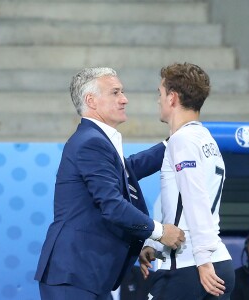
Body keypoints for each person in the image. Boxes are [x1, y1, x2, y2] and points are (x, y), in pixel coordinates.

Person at [34, 67, 185, 300]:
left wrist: (173, 143)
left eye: (122, 92)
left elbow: (129, 170)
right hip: (74, 274)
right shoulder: (91, 142)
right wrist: (160, 232)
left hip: (88, 275)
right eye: (115, 92)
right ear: (91, 100)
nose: (124, 99)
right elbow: (112, 205)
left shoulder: (95, 139)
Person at [139, 62, 235, 299]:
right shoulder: (206, 139)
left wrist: (202, 260)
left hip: (192, 269)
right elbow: (178, 205)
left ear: (172, 98)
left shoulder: (182, 141)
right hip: (217, 263)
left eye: (160, 94)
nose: (158, 101)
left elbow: (194, 200)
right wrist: (157, 245)